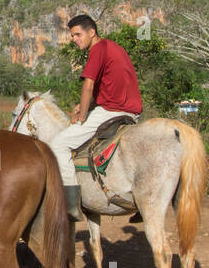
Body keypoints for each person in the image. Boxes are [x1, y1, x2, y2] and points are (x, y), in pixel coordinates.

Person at [52, 14, 142, 221]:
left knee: (59, 144)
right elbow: (111, 87)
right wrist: (85, 106)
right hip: (133, 112)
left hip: (111, 111)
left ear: (91, 32)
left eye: (77, 34)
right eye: (72, 36)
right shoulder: (115, 47)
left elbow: (88, 85)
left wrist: (82, 116)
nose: (74, 39)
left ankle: (71, 203)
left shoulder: (98, 49)